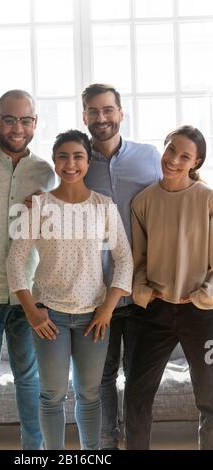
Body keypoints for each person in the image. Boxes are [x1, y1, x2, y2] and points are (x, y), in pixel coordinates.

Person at [6, 129, 133, 450]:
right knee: (52, 395)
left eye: (78, 156)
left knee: (89, 395)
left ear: (88, 162)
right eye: (63, 156)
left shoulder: (104, 207)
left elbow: (125, 261)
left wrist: (107, 308)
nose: (70, 163)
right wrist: (30, 311)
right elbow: (15, 261)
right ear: (54, 161)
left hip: (95, 317)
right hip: (49, 317)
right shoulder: (37, 206)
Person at [0, 90, 56, 450]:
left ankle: (32, 452)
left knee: (28, 377)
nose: (19, 128)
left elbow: (58, 225)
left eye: (26, 120)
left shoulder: (46, 172)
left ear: (35, 123)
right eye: (11, 119)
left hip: (28, 294)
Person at [82, 83, 162, 449]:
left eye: (108, 110)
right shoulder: (77, 163)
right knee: (101, 376)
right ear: (84, 116)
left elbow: (176, 194)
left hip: (144, 287)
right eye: (94, 111)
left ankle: (135, 442)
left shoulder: (148, 156)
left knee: (137, 376)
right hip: (98, 293)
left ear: (120, 113)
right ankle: (106, 445)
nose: (102, 118)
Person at [124, 125, 213, 450]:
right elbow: (139, 259)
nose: (174, 159)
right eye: (170, 149)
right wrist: (145, 292)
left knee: (210, 398)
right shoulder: (143, 201)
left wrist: (203, 295)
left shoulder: (207, 200)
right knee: (136, 395)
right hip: (156, 311)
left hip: (201, 314)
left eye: (184, 155)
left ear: (196, 162)